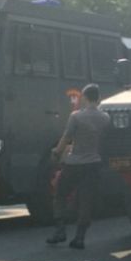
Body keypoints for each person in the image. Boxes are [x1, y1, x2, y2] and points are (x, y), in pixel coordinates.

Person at [47, 84, 111, 249]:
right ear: (98, 98)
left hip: (74, 163)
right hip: (93, 164)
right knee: (86, 201)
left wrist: (56, 152)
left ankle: (60, 230)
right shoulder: (105, 118)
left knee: (60, 194)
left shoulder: (76, 116)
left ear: (84, 97)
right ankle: (80, 238)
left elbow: (66, 138)